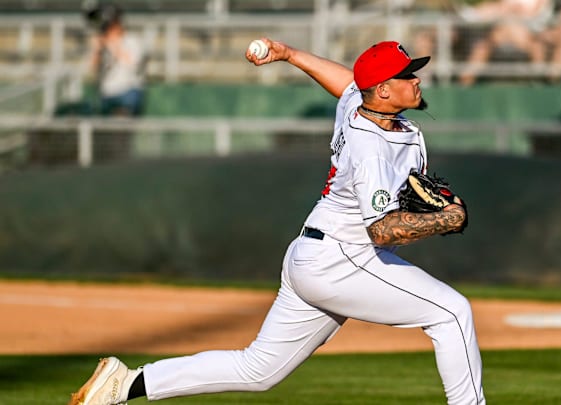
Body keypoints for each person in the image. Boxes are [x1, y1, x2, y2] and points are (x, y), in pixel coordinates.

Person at [67, 38, 484, 405]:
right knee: (451, 313)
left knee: (259, 370)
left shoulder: (362, 104)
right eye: (406, 75)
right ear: (383, 89)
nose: (417, 79)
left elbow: (343, 81)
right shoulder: (371, 147)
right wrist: (446, 220)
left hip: (313, 253)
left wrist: (289, 54)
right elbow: (380, 230)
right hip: (344, 258)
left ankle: (125, 385)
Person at [458, 0, 554, 85]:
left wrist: (515, 13)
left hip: (527, 36)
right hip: (502, 32)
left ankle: (540, 83)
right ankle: (465, 82)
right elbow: (501, 10)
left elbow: (537, 17)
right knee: (483, 46)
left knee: (536, 46)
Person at [84, 2, 147, 117]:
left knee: (121, 125)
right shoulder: (101, 43)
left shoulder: (131, 40)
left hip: (127, 92)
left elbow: (133, 64)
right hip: (106, 94)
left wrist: (113, 45)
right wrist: (97, 50)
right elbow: (92, 69)